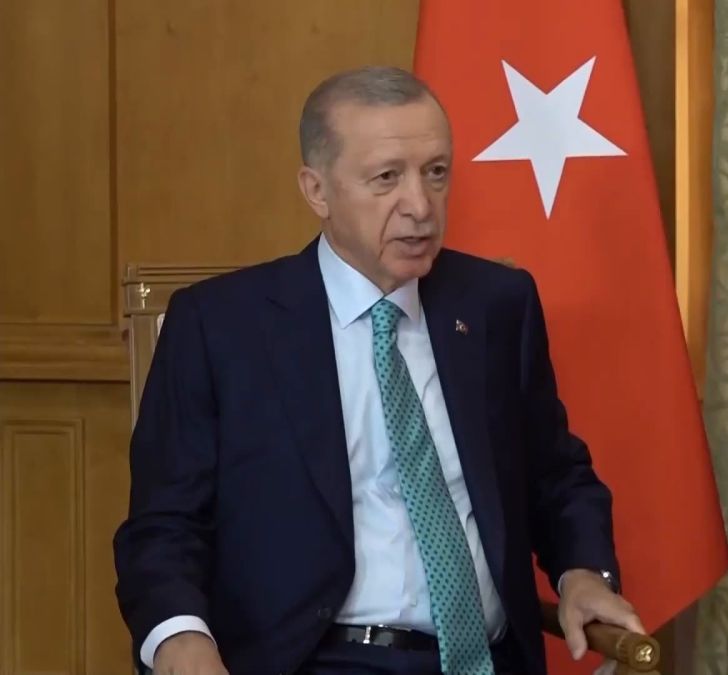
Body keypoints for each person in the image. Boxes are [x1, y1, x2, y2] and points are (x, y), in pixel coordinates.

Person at [112, 65, 643, 675]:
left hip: (486, 660)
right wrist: (181, 638)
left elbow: (555, 474)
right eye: (387, 178)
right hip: (317, 660)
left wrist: (584, 572)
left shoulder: (496, 305)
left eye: (436, 173)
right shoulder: (222, 327)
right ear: (317, 191)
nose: (419, 206)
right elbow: (164, 525)